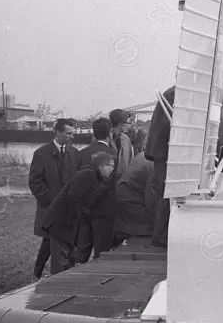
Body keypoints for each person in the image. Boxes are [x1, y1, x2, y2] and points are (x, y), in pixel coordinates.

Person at [43, 150, 116, 274]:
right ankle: (56, 288)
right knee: (60, 261)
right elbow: (73, 196)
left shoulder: (95, 177)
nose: (112, 170)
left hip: (68, 224)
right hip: (61, 222)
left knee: (69, 259)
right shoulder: (87, 174)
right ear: (103, 166)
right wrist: (77, 217)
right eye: (112, 167)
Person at [28, 118, 78, 278]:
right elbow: (35, 182)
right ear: (57, 132)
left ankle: (41, 271)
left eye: (73, 134)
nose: (71, 137)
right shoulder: (41, 154)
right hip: (50, 208)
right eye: (68, 133)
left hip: (68, 209)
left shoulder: (75, 154)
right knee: (52, 239)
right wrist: (51, 200)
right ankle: (43, 272)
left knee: (55, 240)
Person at [75, 117, 119, 262]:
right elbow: (109, 182)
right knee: (103, 251)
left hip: (84, 209)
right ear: (110, 133)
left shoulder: (82, 153)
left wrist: (86, 202)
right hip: (104, 209)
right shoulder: (112, 154)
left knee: (83, 248)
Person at [144, 85, 176, 249]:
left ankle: (161, 234)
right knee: (167, 192)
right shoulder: (174, 94)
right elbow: (169, 124)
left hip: (161, 150)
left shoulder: (171, 93)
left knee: (165, 193)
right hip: (164, 151)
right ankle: (160, 236)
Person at [114, 150, 158, 242]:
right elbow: (151, 202)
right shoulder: (154, 166)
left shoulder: (144, 155)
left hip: (123, 200)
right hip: (132, 206)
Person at [109, 109, 134, 179]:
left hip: (122, 180)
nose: (128, 125)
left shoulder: (126, 139)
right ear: (120, 124)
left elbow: (130, 161)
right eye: (126, 123)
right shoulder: (105, 138)